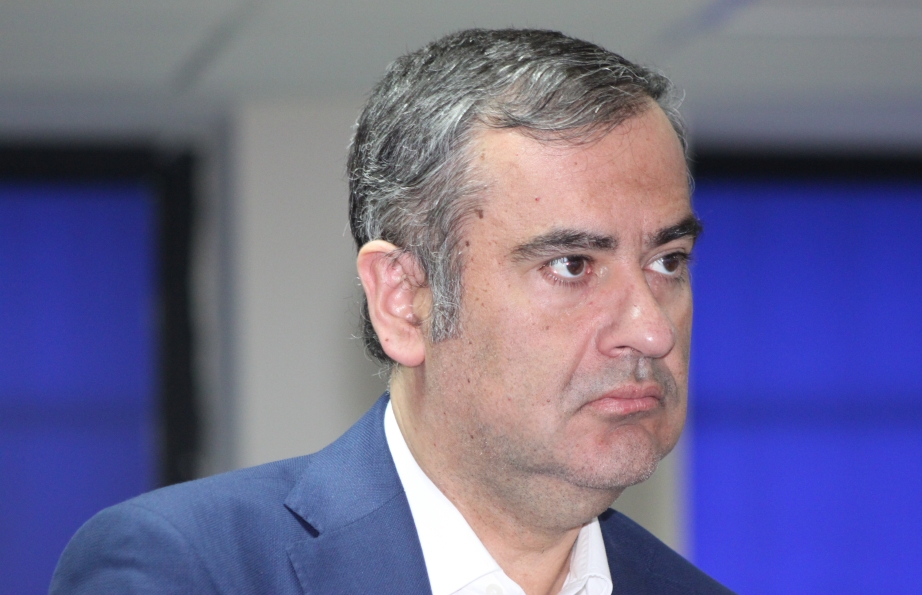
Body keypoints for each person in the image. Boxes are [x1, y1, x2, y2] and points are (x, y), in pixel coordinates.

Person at [50, 29, 733, 595]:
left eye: (668, 261)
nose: (651, 329)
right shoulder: (183, 568)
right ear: (403, 299)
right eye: (572, 265)